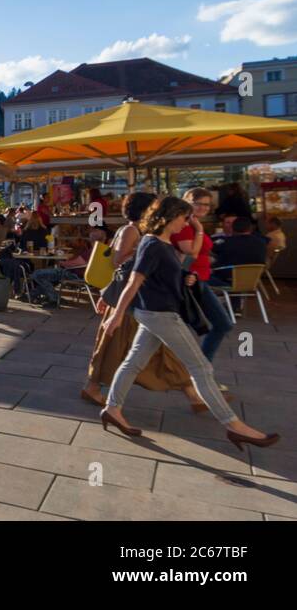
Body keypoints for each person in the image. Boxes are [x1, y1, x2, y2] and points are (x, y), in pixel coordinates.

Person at [99, 196, 278, 449]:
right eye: (185, 217)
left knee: (133, 362)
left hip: (155, 313)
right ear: (171, 217)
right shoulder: (152, 244)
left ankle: (112, 409)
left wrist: (187, 275)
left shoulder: (160, 243)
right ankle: (234, 426)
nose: (186, 221)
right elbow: (134, 281)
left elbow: (166, 272)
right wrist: (116, 316)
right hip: (161, 315)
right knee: (201, 368)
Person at [81, 192, 206, 411]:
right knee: (119, 346)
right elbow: (118, 260)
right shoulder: (132, 230)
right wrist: (146, 251)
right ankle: (93, 388)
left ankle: (193, 394)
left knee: (140, 348)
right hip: (129, 301)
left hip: (140, 300)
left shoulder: (145, 232)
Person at [173, 187, 233, 362]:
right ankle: (201, 369)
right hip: (191, 281)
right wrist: (199, 230)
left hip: (199, 279)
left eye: (207, 205)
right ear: (186, 202)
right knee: (222, 324)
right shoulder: (185, 226)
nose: (203, 208)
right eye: (198, 204)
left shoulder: (193, 224)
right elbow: (190, 253)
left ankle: (197, 369)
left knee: (183, 329)